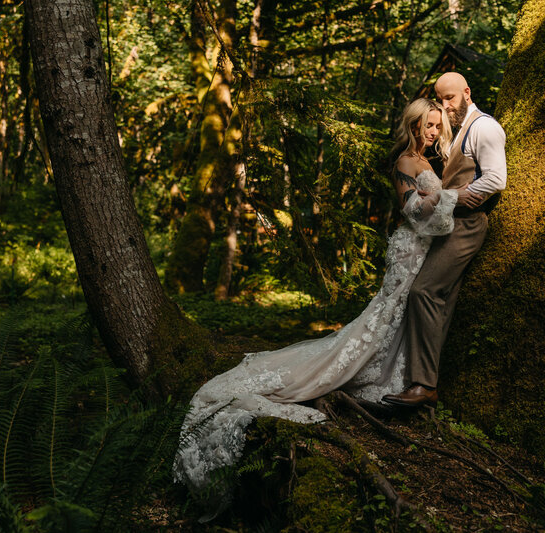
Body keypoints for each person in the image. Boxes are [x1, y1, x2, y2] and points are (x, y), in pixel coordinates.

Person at [173, 99, 458, 491]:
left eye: (436, 125)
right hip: (410, 248)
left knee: (399, 315)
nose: (432, 131)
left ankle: (398, 375)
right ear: (413, 124)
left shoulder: (428, 162)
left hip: (423, 250)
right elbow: (411, 210)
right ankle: (341, 371)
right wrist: (451, 199)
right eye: (427, 124)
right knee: (386, 312)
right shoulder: (407, 162)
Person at [382, 72, 507, 408]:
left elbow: (496, 178)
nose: (446, 106)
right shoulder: (454, 133)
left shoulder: (484, 127)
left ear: (467, 92)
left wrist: (453, 196)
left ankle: (424, 385)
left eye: (451, 98)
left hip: (466, 225)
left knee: (424, 291)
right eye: (441, 99)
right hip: (448, 225)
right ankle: (424, 381)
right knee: (441, 299)